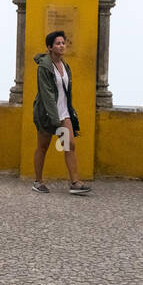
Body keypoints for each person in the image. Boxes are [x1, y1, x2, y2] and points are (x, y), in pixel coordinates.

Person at [32, 30, 92, 195]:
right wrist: (54, 119)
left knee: (69, 145)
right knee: (43, 147)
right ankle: (38, 181)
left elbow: (66, 92)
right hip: (47, 114)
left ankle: (74, 182)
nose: (62, 46)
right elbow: (47, 94)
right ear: (50, 47)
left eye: (63, 43)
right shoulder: (44, 67)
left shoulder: (64, 65)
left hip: (63, 113)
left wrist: (67, 113)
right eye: (58, 43)